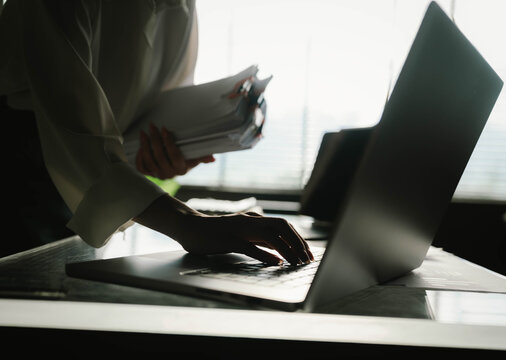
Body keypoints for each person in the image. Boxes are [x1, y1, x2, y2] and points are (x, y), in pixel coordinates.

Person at [0, 0, 313, 264]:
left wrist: (169, 153)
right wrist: (187, 222)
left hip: (102, 184)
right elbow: (74, 133)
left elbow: (160, 111)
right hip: (21, 174)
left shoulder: (182, 5)